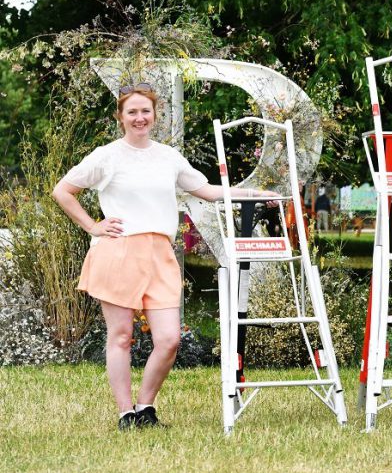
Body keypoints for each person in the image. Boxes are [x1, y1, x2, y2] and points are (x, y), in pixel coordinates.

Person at [52, 82, 278, 431]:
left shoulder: (168, 157)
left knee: (169, 338)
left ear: (154, 115)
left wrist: (247, 193)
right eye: (132, 112)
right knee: (121, 336)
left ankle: (146, 407)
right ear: (121, 117)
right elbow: (63, 190)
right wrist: (92, 226)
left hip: (160, 253)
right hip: (120, 251)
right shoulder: (106, 155)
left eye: (145, 111)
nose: (139, 117)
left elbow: (205, 190)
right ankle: (126, 413)